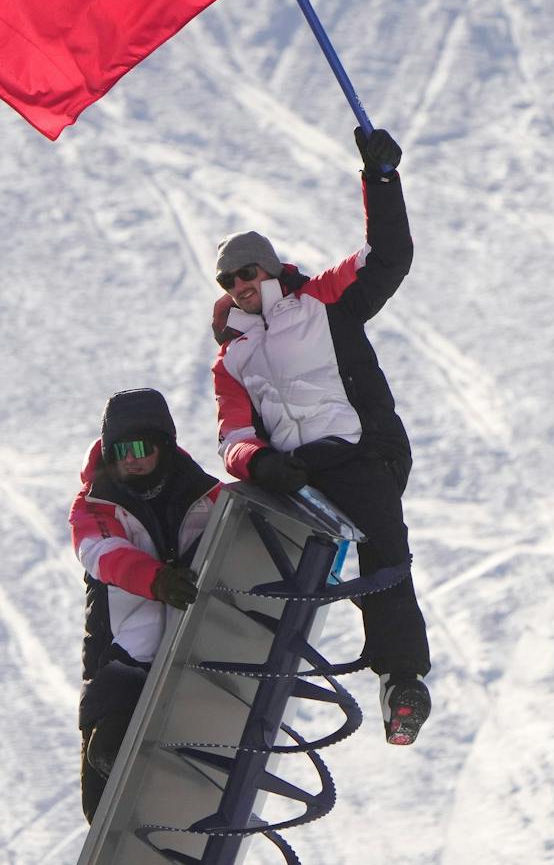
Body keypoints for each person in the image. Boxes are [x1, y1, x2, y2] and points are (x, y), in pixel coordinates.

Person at [208, 125, 432, 745]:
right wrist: (259, 464)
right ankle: (235, 688)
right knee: (262, 554)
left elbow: (388, 256)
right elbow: (232, 437)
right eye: (228, 281)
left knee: (383, 549)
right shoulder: (231, 359)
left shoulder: (321, 301)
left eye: (246, 271)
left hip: (357, 451)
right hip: (295, 476)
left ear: (268, 266)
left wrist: (381, 179)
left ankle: (402, 680)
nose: (240, 286)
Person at [68, 387, 220, 823]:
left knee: (182, 759)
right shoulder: (95, 506)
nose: (131, 460)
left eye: (142, 448)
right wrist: (158, 580)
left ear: (164, 447)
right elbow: (104, 554)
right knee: (105, 761)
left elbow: (246, 536)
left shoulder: (206, 497)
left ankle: (182, 815)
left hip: (192, 652)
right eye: (121, 451)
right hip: (123, 657)